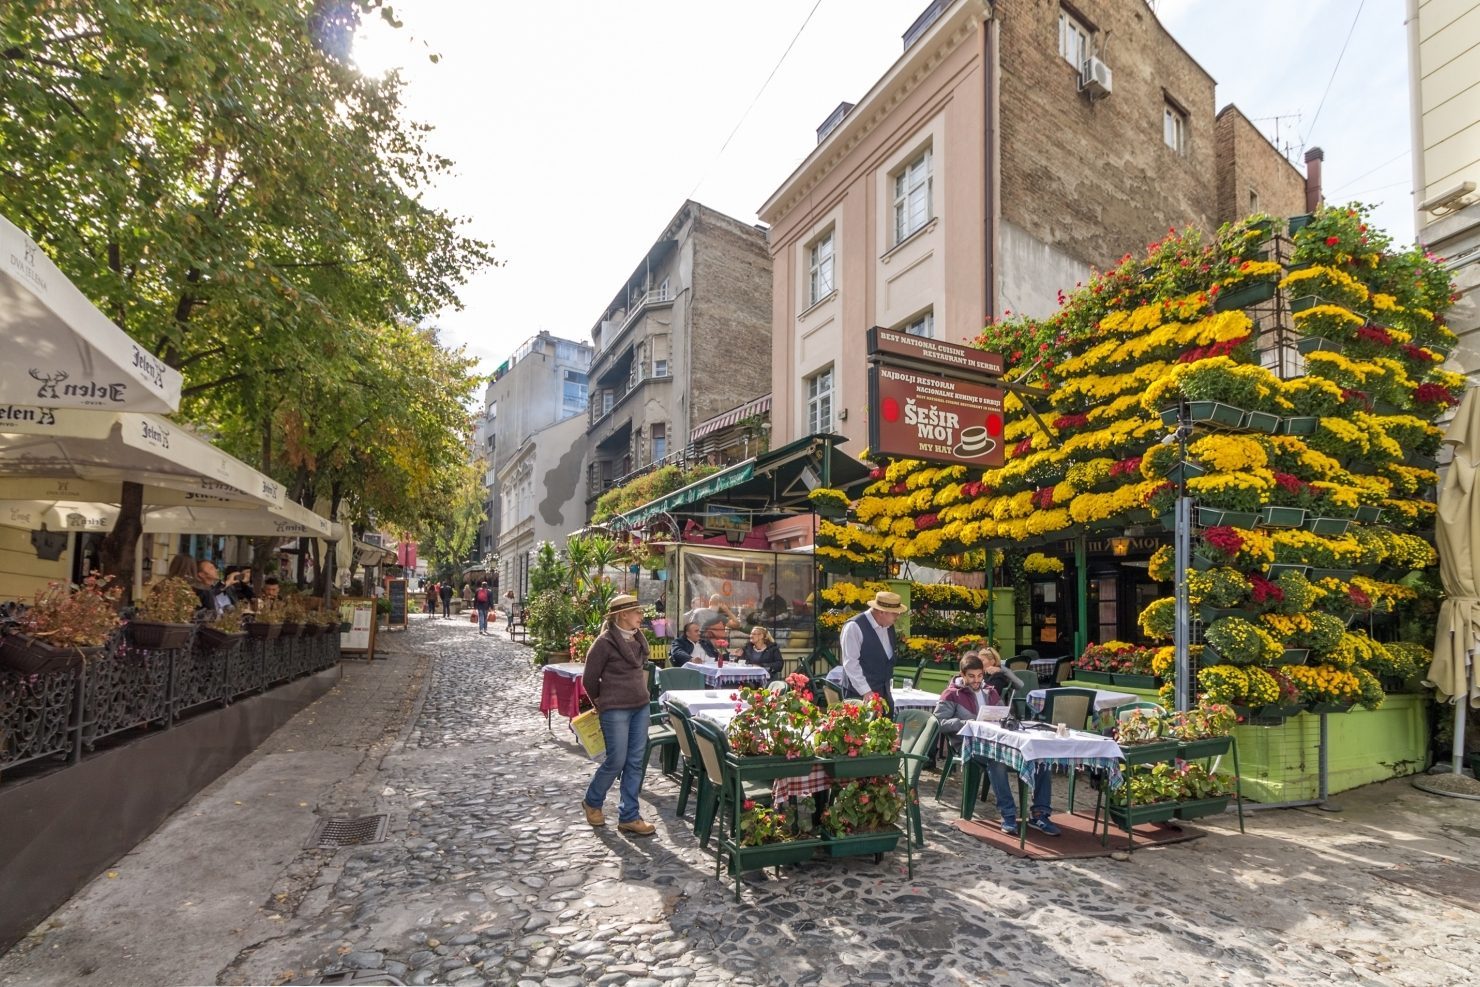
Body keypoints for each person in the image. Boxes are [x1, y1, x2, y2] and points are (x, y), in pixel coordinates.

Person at [581, 594, 657, 836]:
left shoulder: (638, 640)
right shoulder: (604, 643)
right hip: (615, 709)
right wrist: (601, 703)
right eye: (637, 612)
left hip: (640, 706)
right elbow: (589, 679)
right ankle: (592, 801)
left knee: (635, 762)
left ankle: (629, 816)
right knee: (616, 760)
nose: (641, 616)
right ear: (623, 615)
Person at [837, 590, 907, 715]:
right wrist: (866, 692)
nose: (898, 616)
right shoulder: (854, 627)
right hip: (859, 696)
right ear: (881, 612)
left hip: (884, 695)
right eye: (895, 613)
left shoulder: (889, 627)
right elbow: (851, 664)